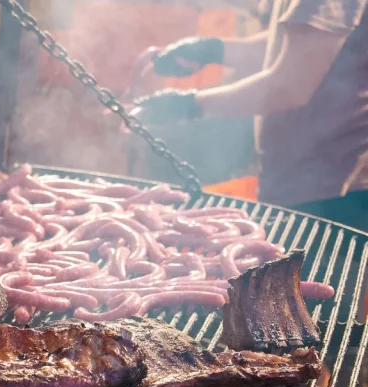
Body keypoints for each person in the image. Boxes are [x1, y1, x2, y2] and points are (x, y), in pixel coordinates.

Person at [133, 0, 368, 227]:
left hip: (332, 188)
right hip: (295, 177)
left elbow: (290, 86)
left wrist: (187, 104)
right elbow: (292, 46)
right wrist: (210, 50)